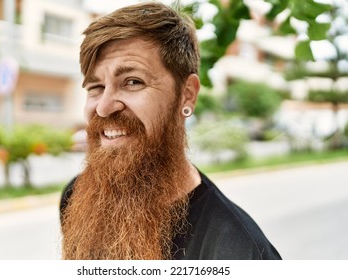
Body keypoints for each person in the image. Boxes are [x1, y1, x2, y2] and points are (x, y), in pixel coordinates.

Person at [60, 1, 281, 260]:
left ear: (186, 96)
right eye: (95, 87)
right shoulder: (76, 196)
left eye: (133, 82)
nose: (104, 108)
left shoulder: (238, 252)